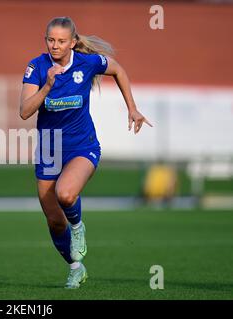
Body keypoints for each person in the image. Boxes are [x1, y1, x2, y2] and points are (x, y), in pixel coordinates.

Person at [19, 17, 152, 289]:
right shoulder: (37, 67)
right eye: (50, 40)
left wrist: (132, 108)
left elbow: (118, 71)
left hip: (83, 146)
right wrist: (47, 87)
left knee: (66, 194)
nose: (54, 46)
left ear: (73, 42)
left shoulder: (87, 63)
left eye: (61, 41)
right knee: (55, 222)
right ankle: (76, 268)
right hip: (49, 149)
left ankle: (78, 228)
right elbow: (24, 111)